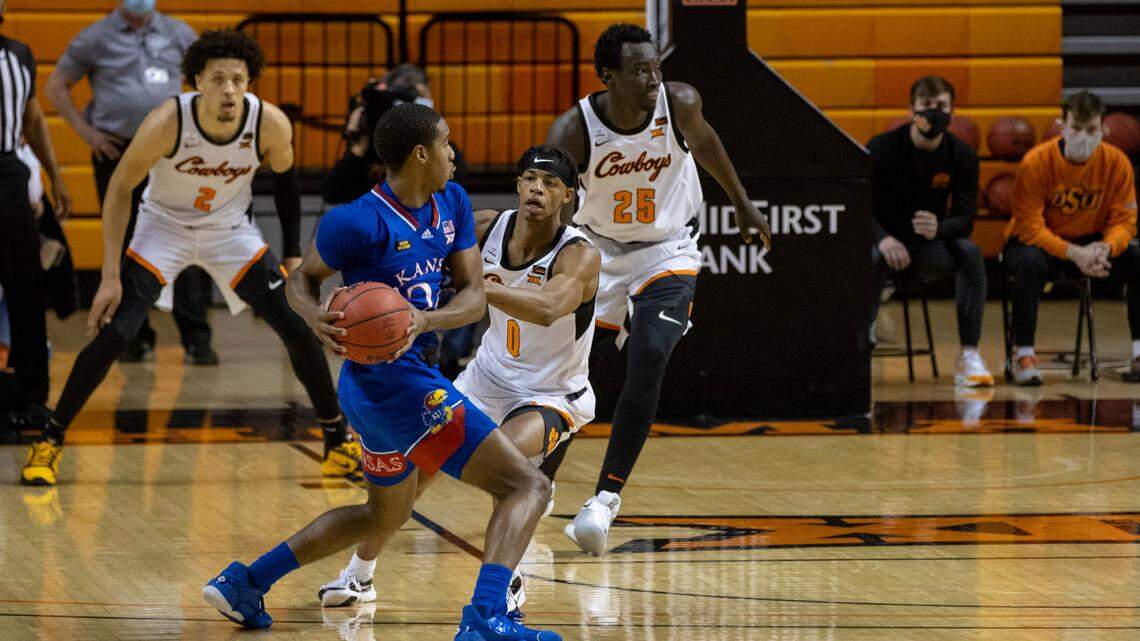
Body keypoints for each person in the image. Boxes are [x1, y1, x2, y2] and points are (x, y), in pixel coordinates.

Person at [202, 104, 560, 641]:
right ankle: (486, 618)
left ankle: (246, 582)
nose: (454, 154)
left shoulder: (453, 202)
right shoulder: (355, 220)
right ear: (420, 154)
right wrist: (314, 318)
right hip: (394, 386)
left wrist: (424, 319)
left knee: (380, 516)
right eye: (446, 143)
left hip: (392, 385)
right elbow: (302, 279)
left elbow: (473, 294)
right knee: (525, 487)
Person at [20, 31, 359, 486]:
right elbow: (120, 188)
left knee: (295, 327)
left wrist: (293, 253)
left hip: (229, 232)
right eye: (217, 79)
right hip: (163, 227)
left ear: (250, 83)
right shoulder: (167, 122)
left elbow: (286, 184)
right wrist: (108, 274)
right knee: (118, 332)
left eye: (238, 80)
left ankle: (336, 442)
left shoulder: (270, 123)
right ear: (197, 81)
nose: (229, 90)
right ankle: (50, 439)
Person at [316, 145, 599, 615]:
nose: (537, 189)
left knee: (504, 461)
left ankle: (506, 583)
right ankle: (360, 575)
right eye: (530, 178)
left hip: (551, 392)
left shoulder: (580, 255)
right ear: (518, 185)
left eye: (550, 184)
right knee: (417, 475)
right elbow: (425, 254)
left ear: (568, 195)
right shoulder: (487, 227)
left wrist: (479, 289)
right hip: (485, 378)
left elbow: (550, 307)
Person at [544, 23, 771, 556]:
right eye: (640, 71)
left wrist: (740, 200)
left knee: (650, 354)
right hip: (598, 252)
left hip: (668, 248)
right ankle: (539, 482)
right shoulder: (573, 130)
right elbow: (552, 200)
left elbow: (708, 143)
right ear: (608, 77)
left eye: (656, 68)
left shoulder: (680, 103)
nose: (653, 79)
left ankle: (603, 501)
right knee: (571, 373)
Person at [44, 0, 218, 365]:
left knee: (184, 235)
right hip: (115, 150)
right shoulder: (95, 37)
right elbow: (57, 86)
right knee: (125, 241)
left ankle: (196, 336)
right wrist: (87, 133)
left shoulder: (179, 32)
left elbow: (209, 77)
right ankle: (135, 336)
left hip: (172, 151)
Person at [1004, 90, 1139, 385]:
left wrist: (1106, 247)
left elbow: (1125, 221)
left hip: (1092, 244)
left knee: (1136, 255)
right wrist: (1074, 253)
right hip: (1040, 242)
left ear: (1104, 129)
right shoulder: (1036, 161)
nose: (1083, 136)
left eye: (1091, 130)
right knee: (1027, 261)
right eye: (1076, 128)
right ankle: (1024, 353)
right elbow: (1029, 227)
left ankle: (1139, 353)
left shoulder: (1117, 163)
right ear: (1061, 125)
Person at [868, 75, 993, 387]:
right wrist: (883, 238)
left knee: (969, 252)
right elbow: (857, 206)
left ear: (952, 112)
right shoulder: (882, 148)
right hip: (884, 242)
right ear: (912, 109)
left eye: (941, 106)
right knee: (863, 259)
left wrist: (940, 228)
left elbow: (966, 219)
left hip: (927, 244)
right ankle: (860, 346)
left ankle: (969, 355)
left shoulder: (961, 155)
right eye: (927, 106)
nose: (933, 113)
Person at [0, 12, 72, 431]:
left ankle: (31, 396)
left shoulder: (19, 54)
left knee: (24, 287)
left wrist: (56, 176)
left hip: (8, 173)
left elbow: (34, 118)